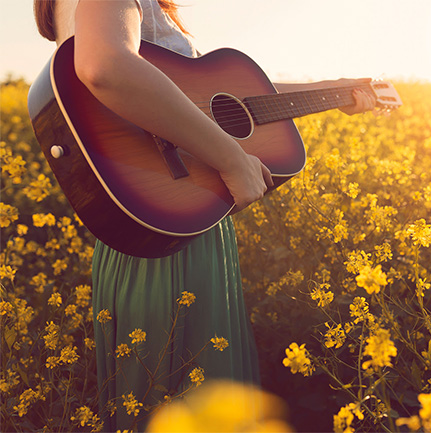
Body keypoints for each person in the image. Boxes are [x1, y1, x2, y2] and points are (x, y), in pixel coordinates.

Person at [33, 0, 375, 430]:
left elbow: (213, 102)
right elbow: (106, 65)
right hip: (168, 222)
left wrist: (334, 90)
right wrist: (232, 159)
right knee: (192, 401)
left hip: (159, 216)